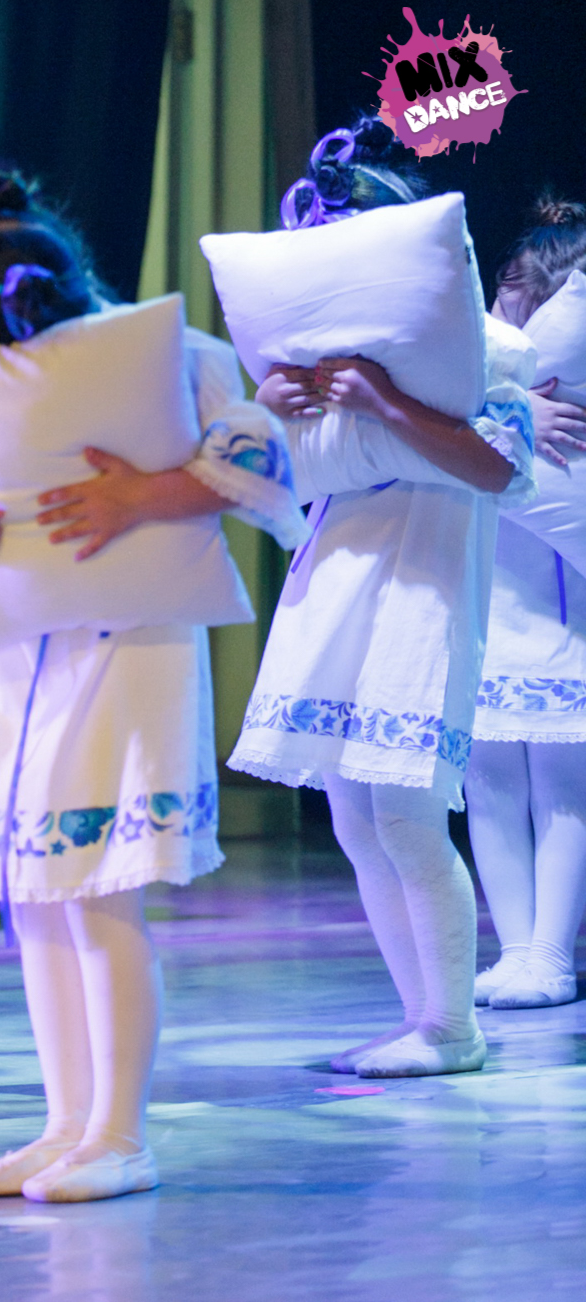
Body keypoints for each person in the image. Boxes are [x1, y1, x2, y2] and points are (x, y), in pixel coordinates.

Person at [0, 172, 305, 1202]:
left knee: (100, 895)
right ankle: (65, 1122)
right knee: (33, 895)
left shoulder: (154, 358)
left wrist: (145, 493)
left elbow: (261, 452)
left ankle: (120, 1133)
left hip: (126, 647)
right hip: (11, 655)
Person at [228, 119, 535, 1077]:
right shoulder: (303, 366)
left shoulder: (482, 348)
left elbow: (500, 469)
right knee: (356, 820)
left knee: (405, 811)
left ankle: (453, 1027)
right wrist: (268, 411)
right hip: (337, 576)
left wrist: (383, 403)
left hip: (424, 579)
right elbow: (258, 486)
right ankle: (422, 1017)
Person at [466, 195, 586, 1009]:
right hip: (484, 601)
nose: (506, 295)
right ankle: (516, 949)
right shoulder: (486, 375)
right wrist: (510, 404)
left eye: (520, 282)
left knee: (560, 776)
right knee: (489, 779)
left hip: (555, 606)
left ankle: (551, 953)